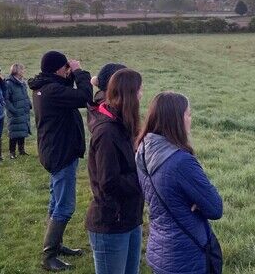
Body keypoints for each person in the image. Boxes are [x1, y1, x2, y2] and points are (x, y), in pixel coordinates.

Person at [136, 92, 223, 274]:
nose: (191, 119)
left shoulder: (143, 150)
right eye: (188, 114)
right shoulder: (181, 162)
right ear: (176, 120)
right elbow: (215, 208)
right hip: (187, 255)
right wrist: (198, 202)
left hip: (160, 250)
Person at [28, 51, 93, 271]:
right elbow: (85, 96)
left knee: (55, 202)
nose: (68, 71)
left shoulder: (44, 87)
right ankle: (49, 256)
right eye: (65, 68)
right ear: (58, 69)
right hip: (61, 154)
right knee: (64, 206)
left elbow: (72, 94)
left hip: (54, 151)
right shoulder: (52, 90)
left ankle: (56, 245)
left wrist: (71, 74)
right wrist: (78, 72)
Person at [87, 69, 144, 274]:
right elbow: (109, 182)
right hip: (111, 222)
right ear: (130, 94)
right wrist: (144, 179)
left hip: (131, 218)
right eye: (139, 90)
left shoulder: (124, 125)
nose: (141, 94)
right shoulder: (107, 133)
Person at [5, 63, 32, 159]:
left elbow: (25, 95)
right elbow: (6, 99)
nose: (24, 71)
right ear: (17, 71)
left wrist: (29, 104)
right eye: (22, 69)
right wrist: (13, 110)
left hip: (23, 110)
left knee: (22, 131)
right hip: (15, 112)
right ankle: (12, 152)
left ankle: (21, 150)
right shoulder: (9, 84)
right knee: (14, 132)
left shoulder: (22, 82)